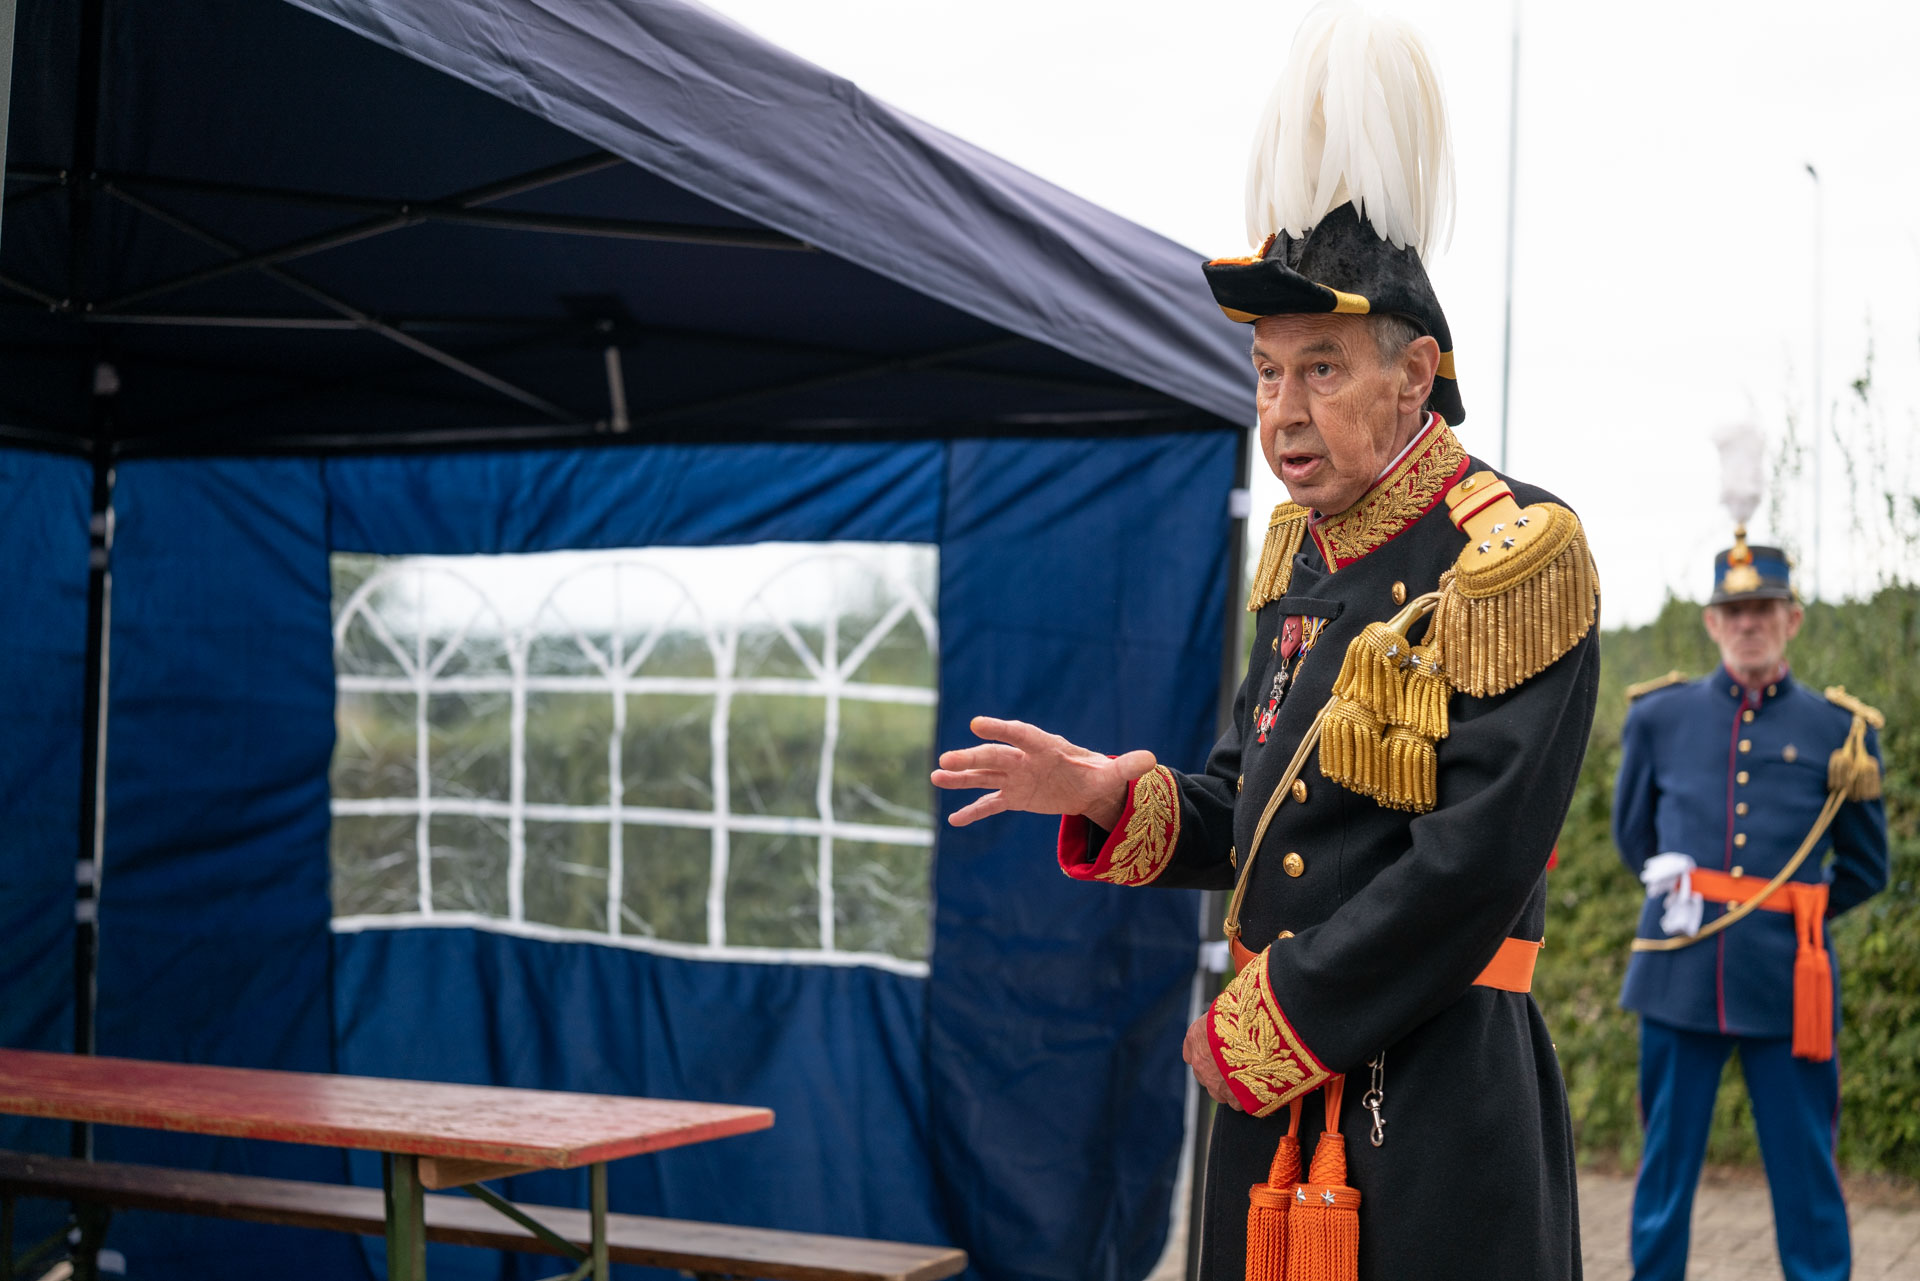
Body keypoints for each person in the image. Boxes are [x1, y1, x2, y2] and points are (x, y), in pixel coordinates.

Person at [932, 5, 1600, 1277]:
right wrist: (1110, 792)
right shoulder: (1298, 556)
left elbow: (1469, 866)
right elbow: (1260, 815)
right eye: (1265, 372)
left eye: (1323, 370)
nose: (1282, 414)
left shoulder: (1516, 555)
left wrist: (1281, 1015)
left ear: (1417, 376)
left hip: (1432, 1091)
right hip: (1274, 1089)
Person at [1615, 528, 1888, 1281]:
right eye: (1733, 610)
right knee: (1664, 1172)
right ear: (1711, 622)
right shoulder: (1657, 719)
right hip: (1679, 974)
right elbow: (1631, 836)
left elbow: (1867, 867)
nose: (1748, 623)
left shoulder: (1841, 733)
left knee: (1807, 1174)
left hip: (1789, 981)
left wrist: (1798, 913)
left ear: (1792, 618)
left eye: (1764, 608)